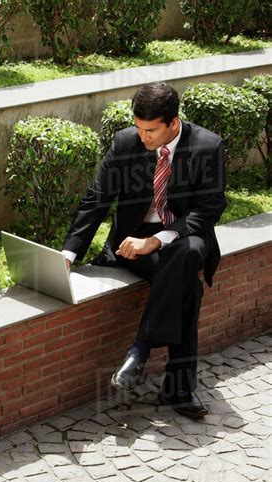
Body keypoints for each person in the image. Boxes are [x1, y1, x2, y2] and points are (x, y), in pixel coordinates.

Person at [62, 82, 227, 419]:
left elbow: (208, 209)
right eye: (138, 127)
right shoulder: (126, 143)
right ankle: (179, 388)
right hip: (131, 241)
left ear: (173, 122)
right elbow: (98, 199)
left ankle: (141, 349)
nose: (142, 136)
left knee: (185, 252)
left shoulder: (207, 146)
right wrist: (68, 255)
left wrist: (159, 238)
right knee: (188, 288)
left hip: (184, 234)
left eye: (150, 130)